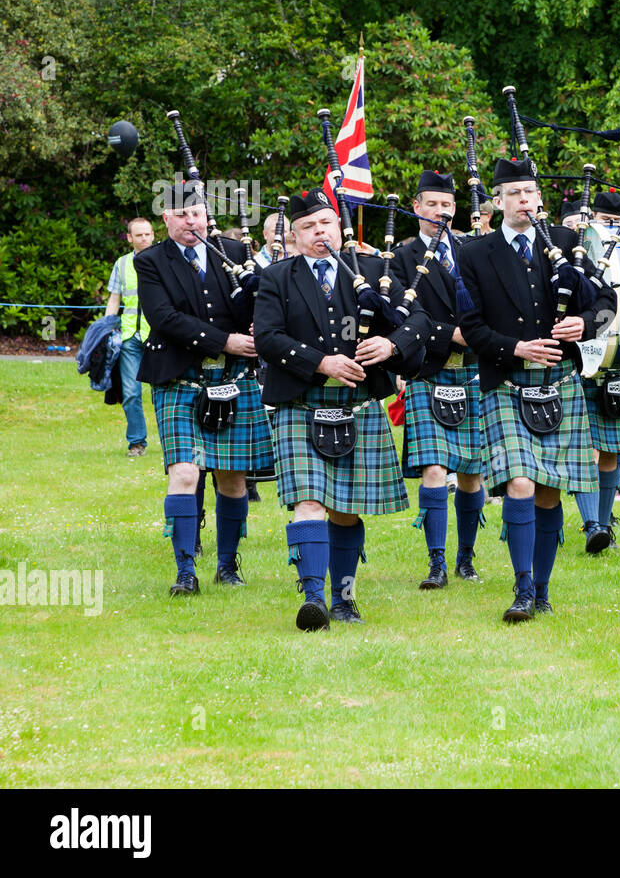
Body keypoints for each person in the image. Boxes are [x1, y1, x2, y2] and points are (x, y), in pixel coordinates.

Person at [254, 188, 427, 630]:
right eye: (308, 227)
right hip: (302, 402)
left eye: (325, 224)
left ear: (338, 227)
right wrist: (321, 362)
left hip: (358, 403)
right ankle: (312, 597)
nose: (319, 232)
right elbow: (269, 338)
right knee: (308, 503)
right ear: (294, 236)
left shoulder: (373, 271)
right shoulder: (277, 277)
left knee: (347, 508)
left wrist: (391, 343)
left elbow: (419, 320)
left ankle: (344, 598)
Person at [457, 157, 617, 621]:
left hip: (560, 382)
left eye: (530, 192)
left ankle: (543, 589)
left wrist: (583, 324)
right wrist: (517, 348)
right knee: (522, 483)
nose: (523, 200)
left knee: (548, 491)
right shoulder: (474, 254)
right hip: (506, 382)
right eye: (514, 193)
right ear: (498, 201)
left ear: (540, 198)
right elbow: (471, 325)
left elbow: (607, 305)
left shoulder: (568, 244)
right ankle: (523, 589)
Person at [135, 182, 274, 595]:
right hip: (180, 378)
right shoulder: (151, 262)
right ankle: (185, 570)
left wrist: (258, 316)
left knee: (232, 479)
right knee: (184, 472)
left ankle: (228, 565)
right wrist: (224, 340)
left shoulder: (233, 254)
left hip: (233, 379)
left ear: (206, 214)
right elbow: (163, 317)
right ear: (166, 219)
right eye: (181, 214)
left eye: (196, 213)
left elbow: (263, 304)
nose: (190, 220)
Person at [391, 170, 488, 587]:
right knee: (434, 469)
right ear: (416, 207)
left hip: (476, 371)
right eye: (432, 204)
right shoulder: (400, 258)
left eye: (447, 205)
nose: (441, 212)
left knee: (472, 472)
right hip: (429, 370)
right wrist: (451, 334)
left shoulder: (473, 249)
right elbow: (401, 314)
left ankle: (465, 558)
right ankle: (436, 563)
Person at [568, 187, 620, 551]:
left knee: (613, 448)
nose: (613, 229)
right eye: (606, 221)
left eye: (619, 223)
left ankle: (602, 527)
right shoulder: (575, 252)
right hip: (581, 356)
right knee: (584, 447)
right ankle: (589, 525)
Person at [105, 217, 156, 457]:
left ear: (153, 235)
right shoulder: (122, 263)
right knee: (131, 393)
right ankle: (137, 443)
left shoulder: (164, 260)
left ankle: (173, 440)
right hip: (129, 336)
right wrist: (105, 329)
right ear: (130, 238)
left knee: (162, 392)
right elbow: (114, 299)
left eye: (147, 234)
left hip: (158, 335)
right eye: (139, 235)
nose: (144, 238)